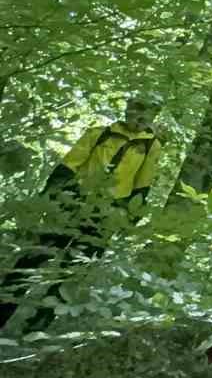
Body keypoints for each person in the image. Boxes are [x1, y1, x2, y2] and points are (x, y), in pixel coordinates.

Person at [0, 95, 163, 331]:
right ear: (127, 109)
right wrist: (49, 196)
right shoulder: (99, 133)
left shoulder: (151, 146)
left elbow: (142, 184)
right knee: (36, 256)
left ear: (153, 116)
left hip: (107, 213)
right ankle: (4, 306)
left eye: (147, 112)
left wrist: (129, 218)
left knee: (74, 267)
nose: (140, 116)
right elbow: (69, 164)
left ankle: (38, 324)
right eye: (136, 108)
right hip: (73, 203)